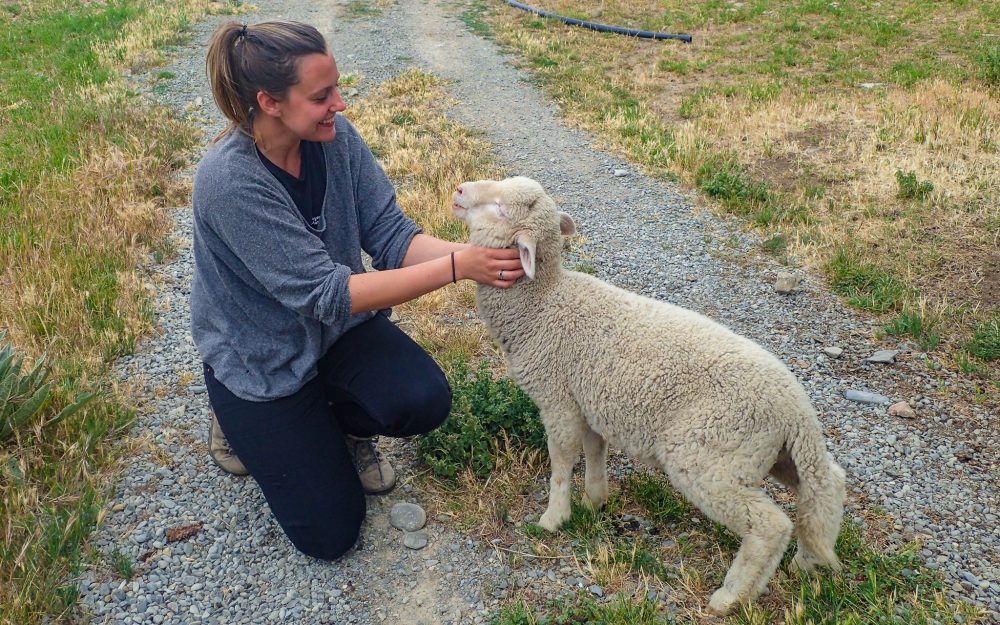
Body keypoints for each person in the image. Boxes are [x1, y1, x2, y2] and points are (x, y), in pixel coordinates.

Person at [192, 20, 524, 561]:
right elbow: (326, 293)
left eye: (337, 88)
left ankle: (334, 427)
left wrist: (493, 259)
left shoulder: (334, 139)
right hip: (263, 360)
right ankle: (234, 414)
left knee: (423, 399)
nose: (340, 105)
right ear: (269, 102)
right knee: (331, 535)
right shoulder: (229, 182)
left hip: (338, 334)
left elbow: (392, 235)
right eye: (322, 96)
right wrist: (460, 267)